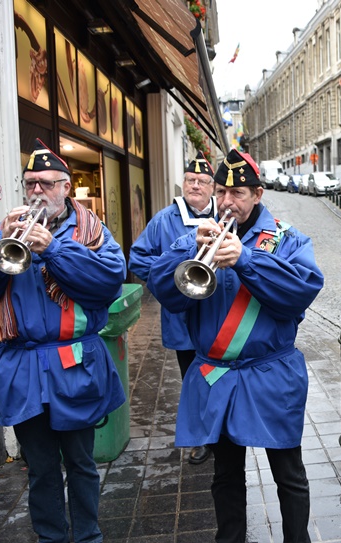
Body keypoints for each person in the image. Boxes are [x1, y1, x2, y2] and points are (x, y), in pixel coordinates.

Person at [147, 149, 323, 543]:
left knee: (288, 472)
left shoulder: (287, 237)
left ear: (257, 194)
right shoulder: (194, 237)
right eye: (222, 191)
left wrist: (245, 259)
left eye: (238, 193)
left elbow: (301, 291)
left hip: (270, 374)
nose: (226, 202)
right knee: (225, 473)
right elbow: (162, 289)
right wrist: (186, 249)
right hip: (217, 376)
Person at [0, 138, 126, 543]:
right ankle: (51, 537)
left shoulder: (91, 231)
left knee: (82, 462)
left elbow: (108, 282)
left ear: (66, 188)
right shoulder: (8, 227)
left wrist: (54, 249)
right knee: (41, 467)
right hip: (23, 366)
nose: (37, 192)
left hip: (74, 364)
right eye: (30, 183)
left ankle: (88, 535)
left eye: (47, 184)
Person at [129, 151, 216, 464]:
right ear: (182, 184)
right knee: (192, 377)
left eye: (202, 181)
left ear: (212, 187)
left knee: (218, 376)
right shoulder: (165, 219)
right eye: (190, 180)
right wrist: (172, 275)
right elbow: (137, 258)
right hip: (181, 317)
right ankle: (201, 438)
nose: (195, 185)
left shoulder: (225, 215)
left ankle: (221, 430)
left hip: (218, 316)